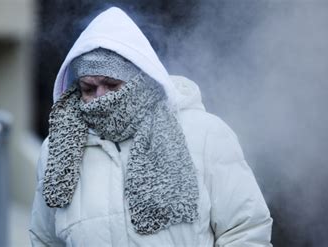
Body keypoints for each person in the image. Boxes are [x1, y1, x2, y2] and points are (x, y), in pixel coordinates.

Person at [29, 7, 272, 247]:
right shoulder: (58, 151)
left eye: (112, 84)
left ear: (140, 77)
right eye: (89, 89)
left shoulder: (204, 134)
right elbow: (44, 240)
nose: (101, 97)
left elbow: (245, 230)